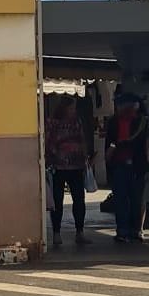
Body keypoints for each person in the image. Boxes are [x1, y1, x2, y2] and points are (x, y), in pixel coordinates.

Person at [45, 96, 93, 247]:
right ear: (64, 108)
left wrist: (85, 157)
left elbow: (82, 139)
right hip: (57, 167)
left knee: (79, 200)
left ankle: (80, 232)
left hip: (76, 165)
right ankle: (56, 233)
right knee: (57, 201)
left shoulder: (76, 122)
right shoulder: (53, 123)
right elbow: (48, 141)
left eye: (74, 107)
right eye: (71, 107)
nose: (73, 110)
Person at [105, 93, 149, 243]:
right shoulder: (113, 121)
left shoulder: (143, 121)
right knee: (122, 199)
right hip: (119, 164)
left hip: (137, 165)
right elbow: (110, 141)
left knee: (136, 199)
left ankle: (136, 230)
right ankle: (124, 230)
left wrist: (147, 162)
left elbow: (148, 142)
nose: (118, 107)